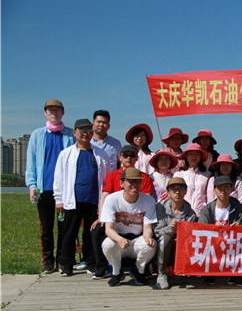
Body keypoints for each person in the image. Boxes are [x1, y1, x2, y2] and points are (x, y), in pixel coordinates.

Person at [53, 119, 110, 276]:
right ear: (75, 132)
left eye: (89, 131)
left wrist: (105, 201)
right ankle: (66, 264)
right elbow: (58, 178)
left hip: (94, 200)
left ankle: (91, 262)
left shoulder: (100, 154)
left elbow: (106, 178)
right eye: (82, 131)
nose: (86, 134)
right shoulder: (66, 154)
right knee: (69, 233)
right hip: (72, 200)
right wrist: (59, 200)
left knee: (90, 234)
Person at [26, 99, 76, 274]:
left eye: (57, 110)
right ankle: (48, 262)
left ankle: (63, 260)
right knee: (46, 228)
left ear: (63, 112)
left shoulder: (70, 135)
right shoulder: (37, 135)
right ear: (45, 113)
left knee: (64, 226)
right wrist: (32, 185)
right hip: (44, 188)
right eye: (50, 110)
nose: (54, 113)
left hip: (64, 189)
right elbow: (31, 162)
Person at [90, 145, 156, 279]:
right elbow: (105, 195)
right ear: (120, 157)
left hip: (136, 219)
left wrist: (147, 236)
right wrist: (101, 216)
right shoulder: (112, 175)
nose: (128, 158)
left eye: (132, 155)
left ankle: (141, 269)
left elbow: (146, 199)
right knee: (97, 230)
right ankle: (103, 267)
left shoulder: (144, 177)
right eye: (125, 155)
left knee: (151, 239)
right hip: (115, 216)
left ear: (137, 158)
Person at [101, 168, 158, 287]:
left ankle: (138, 271)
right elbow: (108, 229)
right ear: (122, 183)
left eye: (138, 181)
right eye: (130, 181)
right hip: (119, 240)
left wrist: (148, 237)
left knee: (150, 245)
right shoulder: (111, 199)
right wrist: (119, 239)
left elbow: (147, 228)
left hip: (137, 240)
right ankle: (116, 272)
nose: (134, 185)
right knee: (107, 245)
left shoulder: (149, 200)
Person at [198, 175, 242, 287]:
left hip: (232, 242)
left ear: (232, 189)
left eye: (226, 187)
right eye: (219, 188)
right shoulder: (207, 209)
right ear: (214, 190)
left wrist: (239, 227)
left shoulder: (238, 207)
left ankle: (235, 275)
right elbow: (201, 228)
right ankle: (209, 273)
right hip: (213, 242)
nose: (223, 191)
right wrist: (213, 227)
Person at [153, 177, 198, 290]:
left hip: (180, 244)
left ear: (186, 191)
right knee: (164, 238)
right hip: (164, 244)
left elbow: (190, 236)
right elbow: (158, 231)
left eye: (181, 189)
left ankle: (179, 270)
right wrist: (171, 228)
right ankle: (161, 273)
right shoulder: (160, 208)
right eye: (173, 189)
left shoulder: (191, 214)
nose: (177, 192)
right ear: (168, 192)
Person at [174, 143, 211, 216]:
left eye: (197, 154)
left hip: (202, 214)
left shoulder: (207, 175)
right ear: (186, 156)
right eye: (191, 154)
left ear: (200, 156)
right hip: (183, 213)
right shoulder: (178, 174)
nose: (194, 157)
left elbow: (210, 196)